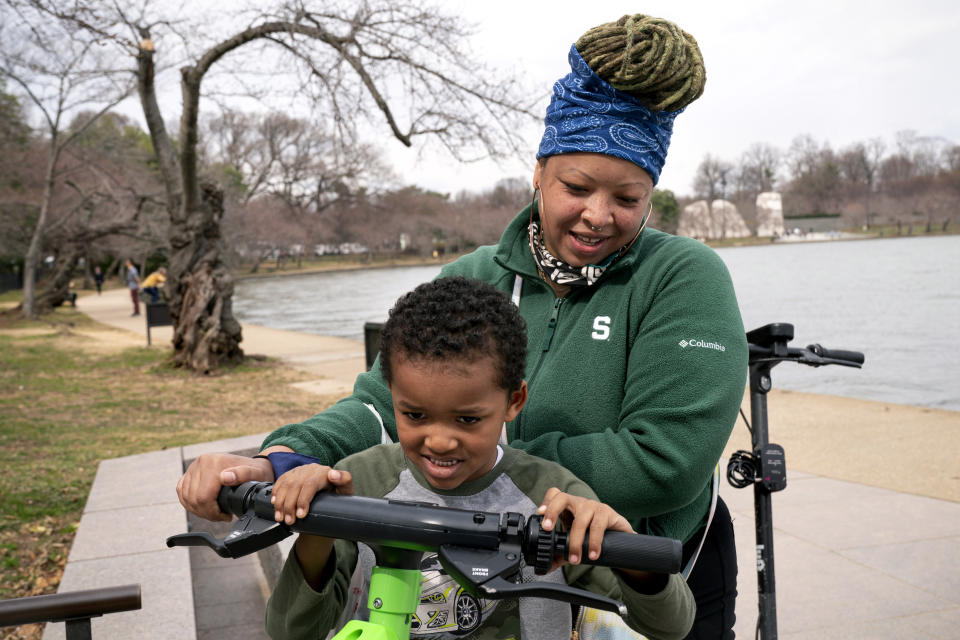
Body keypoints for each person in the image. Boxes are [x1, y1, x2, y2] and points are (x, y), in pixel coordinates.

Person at [178, 13, 747, 639]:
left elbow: (666, 463)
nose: (597, 216)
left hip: (646, 567)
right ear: (539, 172)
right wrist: (280, 461)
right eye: (576, 186)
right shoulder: (473, 274)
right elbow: (378, 405)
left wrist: (484, 457)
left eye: (628, 199)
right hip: (489, 556)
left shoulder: (683, 275)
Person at [263, 277, 695, 639]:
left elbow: (672, 626)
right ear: (391, 395)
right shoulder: (358, 481)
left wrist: (622, 548)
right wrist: (315, 527)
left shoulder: (553, 499)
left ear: (514, 401)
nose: (440, 442)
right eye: (414, 415)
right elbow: (290, 631)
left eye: (467, 419)